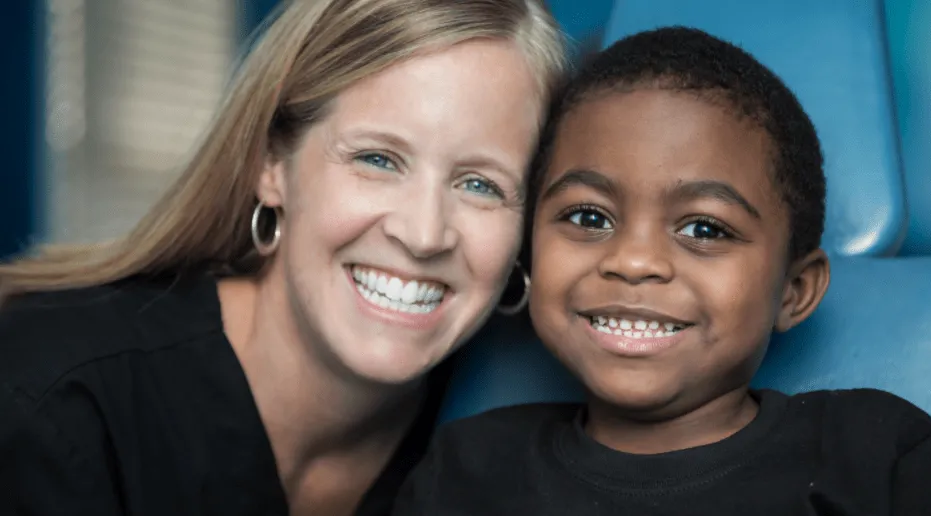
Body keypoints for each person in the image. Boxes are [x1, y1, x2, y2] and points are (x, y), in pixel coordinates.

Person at [0, 0, 567, 514]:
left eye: (481, 185)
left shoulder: (508, 441)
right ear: (271, 163)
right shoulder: (47, 402)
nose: (423, 234)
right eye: (377, 159)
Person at [392, 27, 931, 515]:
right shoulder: (467, 469)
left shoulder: (875, 454)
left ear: (795, 291)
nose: (632, 261)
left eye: (704, 229)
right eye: (588, 216)